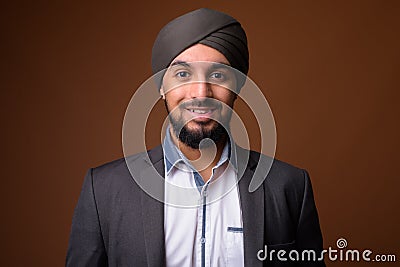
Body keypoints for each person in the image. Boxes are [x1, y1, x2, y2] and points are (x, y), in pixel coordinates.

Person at [66, 8, 325, 267]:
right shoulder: (103, 191)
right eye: (182, 74)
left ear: (238, 85)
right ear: (160, 86)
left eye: (218, 75)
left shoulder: (289, 187)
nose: (201, 92)